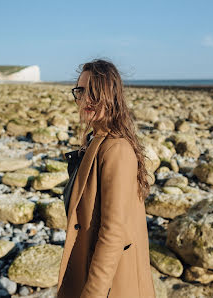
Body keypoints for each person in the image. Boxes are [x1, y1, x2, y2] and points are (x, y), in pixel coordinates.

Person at [57, 59, 156, 298]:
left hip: (113, 284)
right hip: (95, 270)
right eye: (80, 91)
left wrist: (92, 293)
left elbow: (113, 233)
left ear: (110, 95)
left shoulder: (117, 149)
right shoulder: (96, 140)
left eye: (94, 91)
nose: (86, 99)